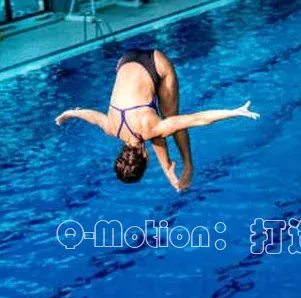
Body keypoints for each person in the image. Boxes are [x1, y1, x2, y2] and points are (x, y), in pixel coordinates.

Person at [55, 49, 259, 191]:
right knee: (157, 131)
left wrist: (235, 112)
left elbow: (197, 119)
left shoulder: (151, 129)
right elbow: (91, 116)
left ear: (145, 157)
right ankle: (169, 170)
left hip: (155, 63)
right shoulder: (111, 128)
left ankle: (187, 165)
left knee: (170, 120)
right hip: (125, 60)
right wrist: (70, 113)